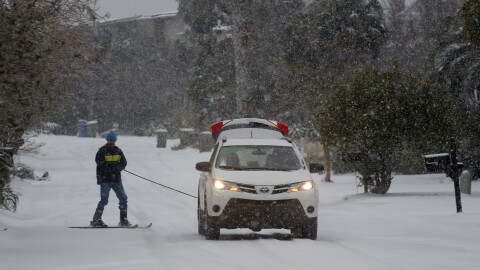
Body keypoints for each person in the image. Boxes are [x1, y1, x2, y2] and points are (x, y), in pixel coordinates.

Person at [90, 130, 130, 227]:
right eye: (110, 140)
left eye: (113, 140)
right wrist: (109, 167)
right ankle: (96, 220)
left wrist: (119, 167)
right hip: (105, 179)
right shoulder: (101, 151)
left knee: (123, 198)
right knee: (104, 199)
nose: (111, 142)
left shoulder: (118, 151)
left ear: (115, 140)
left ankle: (123, 220)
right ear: (107, 140)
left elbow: (124, 162)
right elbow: (99, 163)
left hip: (116, 180)